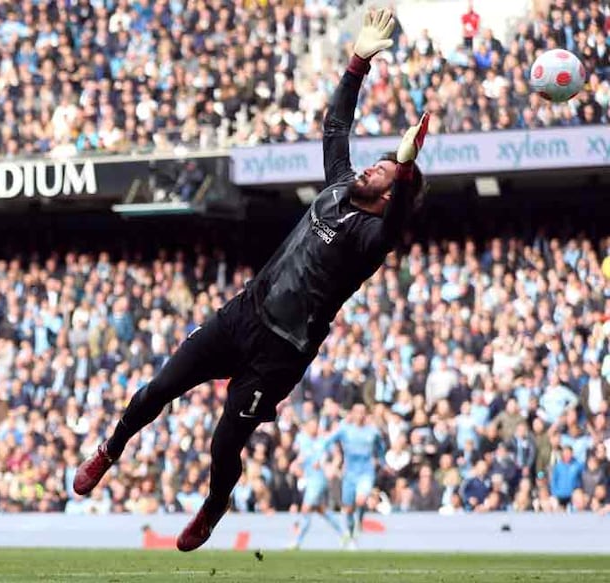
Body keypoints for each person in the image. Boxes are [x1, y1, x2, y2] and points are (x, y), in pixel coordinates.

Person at [72, 8, 429, 552]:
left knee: (225, 442)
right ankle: (110, 449)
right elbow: (336, 127)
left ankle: (215, 505)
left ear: (386, 196)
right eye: (376, 165)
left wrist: (404, 170)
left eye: (379, 171)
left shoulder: (369, 239)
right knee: (160, 388)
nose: (367, 168)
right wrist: (357, 62)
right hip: (242, 315)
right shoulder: (336, 189)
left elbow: (399, 221)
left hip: (280, 352)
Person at [323, 404, 386, 548]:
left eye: (363, 412)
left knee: (361, 500)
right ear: (352, 414)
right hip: (349, 474)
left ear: (366, 414)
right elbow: (327, 442)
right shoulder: (345, 430)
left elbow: (381, 447)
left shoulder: (373, 432)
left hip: (366, 472)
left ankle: (360, 522)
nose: (360, 415)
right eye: (357, 412)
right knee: (349, 508)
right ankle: (351, 534)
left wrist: (382, 462)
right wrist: (330, 459)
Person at [288, 419, 347, 550]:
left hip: (319, 479)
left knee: (305, 508)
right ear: (306, 427)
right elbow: (297, 455)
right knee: (320, 509)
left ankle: (297, 542)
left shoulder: (323, 441)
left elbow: (337, 455)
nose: (314, 429)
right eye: (312, 426)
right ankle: (344, 533)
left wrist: (332, 466)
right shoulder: (301, 439)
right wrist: (296, 464)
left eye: (316, 426)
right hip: (308, 479)